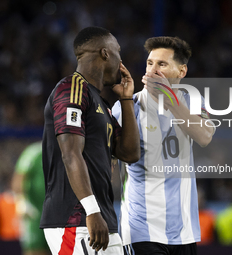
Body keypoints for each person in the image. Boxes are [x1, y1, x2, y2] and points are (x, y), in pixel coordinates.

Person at [40, 26, 140, 255]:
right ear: (105, 53)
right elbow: (70, 153)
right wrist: (92, 211)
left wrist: (126, 100)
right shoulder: (72, 88)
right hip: (76, 218)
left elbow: (130, 153)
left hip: (100, 220)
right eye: (118, 52)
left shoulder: (101, 104)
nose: (121, 61)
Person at [112, 36, 215, 255]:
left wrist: (168, 98)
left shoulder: (193, 100)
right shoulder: (128, 107)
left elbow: (205, 136)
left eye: (162, 64)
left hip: (184, 231)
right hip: (142, 228)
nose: (153, 70)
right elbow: (108, 162)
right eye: (150, 63)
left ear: (181, 72)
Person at [12, 141, 50, 255]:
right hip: (34, 212)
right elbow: (20, 176)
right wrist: (21, 202)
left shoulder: (65, 151)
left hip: (56, 211)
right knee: (34, 249)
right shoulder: (34, 152)